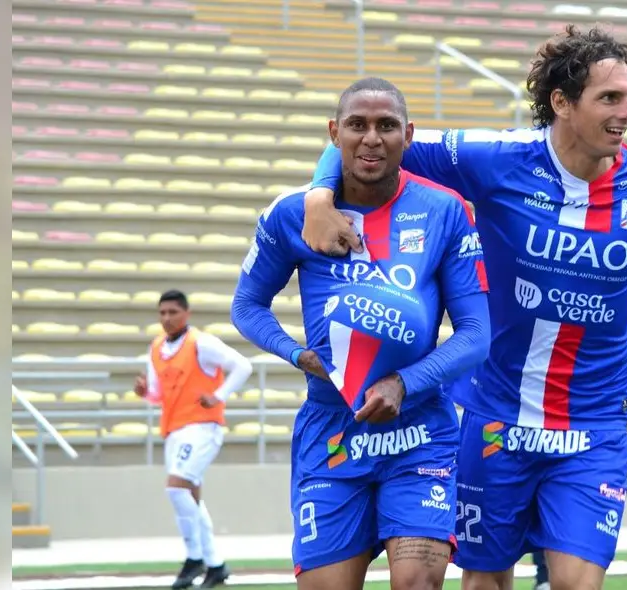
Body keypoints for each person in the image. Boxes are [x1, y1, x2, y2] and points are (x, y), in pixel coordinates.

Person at [298, 25, 627, 590]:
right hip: (495, 415)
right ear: (562, 103)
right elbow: (375, 138)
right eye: (610, 97)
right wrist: (318, 195)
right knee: (484, 581)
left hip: (595, 422)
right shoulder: (497, 158)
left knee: (576, 584)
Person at [230, 77, 491, 590]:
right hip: (331, 429)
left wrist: (403, 384)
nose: (372, 138)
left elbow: (476, 334)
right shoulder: (292, 215)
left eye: (386, 126)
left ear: (408, 135)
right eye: (357, 125)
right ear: (334, 133)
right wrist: (297, 353)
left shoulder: (446, 211)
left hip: (420, 432)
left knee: (418, 581)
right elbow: (247, 305)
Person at [133, 289, 253, 589]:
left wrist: (219, 396)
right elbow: (159, 394)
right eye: (162, 313)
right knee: (191, 498)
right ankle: (216, 566)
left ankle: (194, 557)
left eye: (173, 312)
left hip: (201, 427)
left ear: (187, 314)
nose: (167, 318)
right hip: (174, 429)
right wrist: (145, 392)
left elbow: (243, 366)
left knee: (176, 489)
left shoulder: (201, 343)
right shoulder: (156, 347)